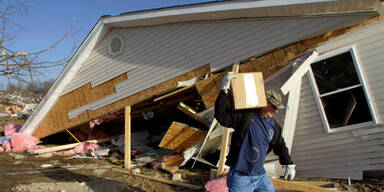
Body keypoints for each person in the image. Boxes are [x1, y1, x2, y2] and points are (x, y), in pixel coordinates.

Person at [214, 72, 296, 192]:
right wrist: (224, 90)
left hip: (260, 176)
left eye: (277, 108)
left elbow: (279, 145)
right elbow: (221, 115)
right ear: (265, 103)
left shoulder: (274, 126)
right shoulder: (246, 117)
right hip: (240, 177)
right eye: (273, 107)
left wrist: (288, 163)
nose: (275, 111)